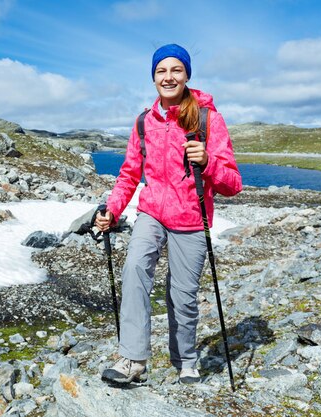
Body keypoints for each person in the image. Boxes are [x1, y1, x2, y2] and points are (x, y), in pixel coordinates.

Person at [96, 43, 242, 385]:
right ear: (153, 78)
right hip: (152, 212)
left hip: (191, 219)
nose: (168, 76)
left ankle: (187, 361)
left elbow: (233, 184)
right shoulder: (144, 122)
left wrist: (208, 162)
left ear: (187, 74)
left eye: (176, 69)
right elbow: (130, 173)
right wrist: (112, 210)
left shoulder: (207, 119)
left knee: (182, 293)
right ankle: (132, 359)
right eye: (161, 71)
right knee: (134, 268)